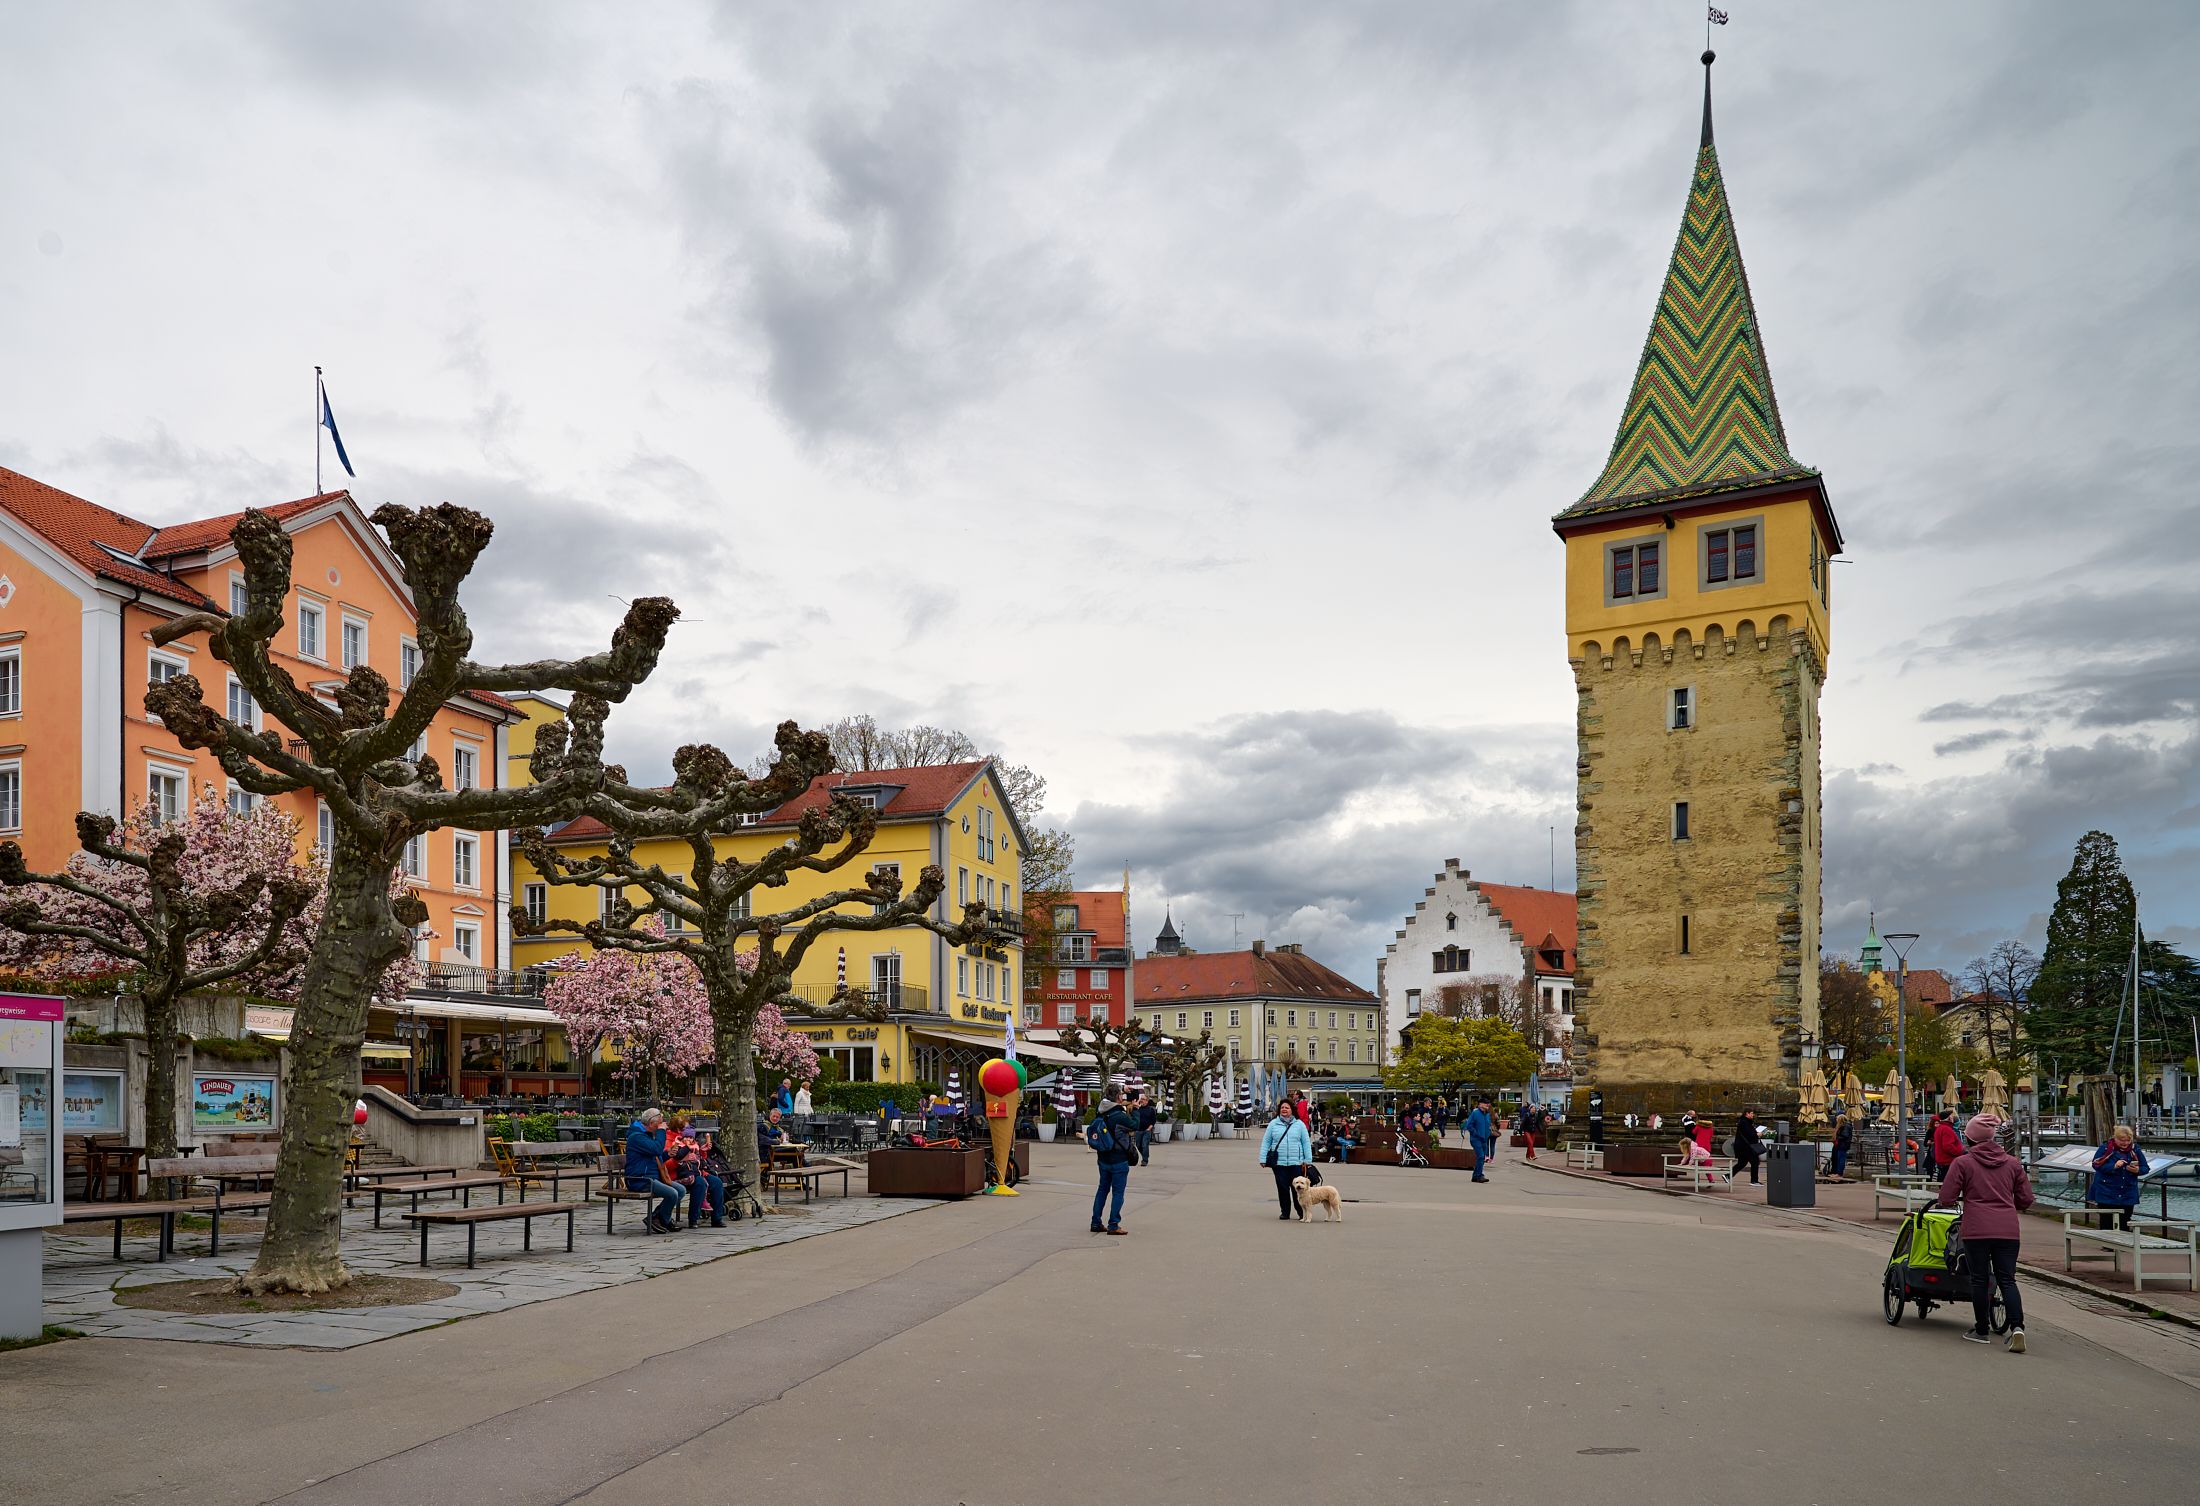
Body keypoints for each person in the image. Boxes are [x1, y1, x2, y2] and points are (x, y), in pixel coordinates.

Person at [1936, 1114, 2033, 1353]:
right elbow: (2026, 1199)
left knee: (1980, 1279)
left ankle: (1981, 1330)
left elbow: (1946, 1198)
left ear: (1969, 1138)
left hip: (1977, 1229)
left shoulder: (1963, 1163)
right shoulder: (2012, 1163)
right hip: (2008, 1230)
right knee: (2007, 1279)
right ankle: (2017, 1328)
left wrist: (1950, 1202)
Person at [622, 1108, 685, 1234]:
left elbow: (655, 1154)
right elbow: (655, 1150)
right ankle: (662, 1220)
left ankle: (657, 1218)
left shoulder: (647, 1135)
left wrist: (667, 1154)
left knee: (681, 1190)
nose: (663, 1126)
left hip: (652, 1177)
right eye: (660, 1123)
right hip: (640, 1179)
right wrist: (662, 1132)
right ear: (651, 1123)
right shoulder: (637, 1137)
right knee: (672, 1193)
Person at [1088, 1087, 1135, 1235]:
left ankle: (1096, 1222)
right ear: (1118, 1097)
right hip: (1119, 1159)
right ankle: (1113, 1225)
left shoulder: (1100, 1110)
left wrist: (1121, 1089)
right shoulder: (1119, 1115)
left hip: (1103, 1158)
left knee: (1102, 1189)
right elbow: (1135, 1125)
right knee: (1118, 1193)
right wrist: (1137, 1110)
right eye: (1121, 1094)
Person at [665, 1114, 726, 1227]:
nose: (688, 1131)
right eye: (685, 1128)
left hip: (695, 1171)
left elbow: (698, 1158)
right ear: (679, 1129)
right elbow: (666, 1164)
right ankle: (693, 1218)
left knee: (716, 1182)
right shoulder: (670, 1141)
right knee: (699, 1183)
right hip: (678, 1175)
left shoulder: (689, 1138)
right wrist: (682, 1158)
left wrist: (703, 1151)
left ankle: (717, 1218)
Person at [2087, 1124, 2150, 1231]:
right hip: (2106, 1190)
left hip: (2127, 1191)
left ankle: (2123, 1244)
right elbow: (2097, 1164)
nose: (2125, 1143)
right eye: (2122, 1140)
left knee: (2125, 1219)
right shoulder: (2105, 1148)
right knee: (2106, 1219)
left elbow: (2145, 1168)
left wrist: (2137, 1170)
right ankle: (2108, 1244)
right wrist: (2114, 1166)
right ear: (2115, 1138)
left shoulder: (2135, 1150)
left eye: (2128, 1140)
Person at [1259, 1100, 1314, 1219]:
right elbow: (1266, 1141)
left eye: (1287, 1108)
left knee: (1298, 1190)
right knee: (1282, 1188)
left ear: (1292, 1110)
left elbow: (1306, 1143)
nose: (1284, 1109)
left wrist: (1308, 1159)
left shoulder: (1299, 1124)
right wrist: (1263, 1158)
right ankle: (1285, 1212)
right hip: (1279, 1163)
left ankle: (1301, 1213)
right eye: (1282, 1107)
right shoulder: (1273, 1124)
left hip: (1296, 1163)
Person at [1465, 1097, 1495, 1182]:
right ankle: (1479, 1175)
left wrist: (1488, 1133)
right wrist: (1476, 1134)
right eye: (1485, 1103)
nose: (1487, 1105)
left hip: (1484, 1139)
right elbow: (1469, 1125)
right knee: (1481, 1156)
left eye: (1488, 1103)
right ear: (1480, 1104)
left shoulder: (1487, 1115)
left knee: (1481, 1157)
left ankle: (1475, 1176)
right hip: (1476, 1139)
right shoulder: (1475, 1113)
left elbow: (1488, 1125)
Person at [1930, 1110, 1964, 1183]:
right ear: (1949, 1118)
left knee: (1944, 1182)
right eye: (1952, 1116)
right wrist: (1960, 1152)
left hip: (1942, 1161)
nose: (1953, 1117)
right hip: (1948, 1161)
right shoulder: (1947, 1129)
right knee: (1950, 1183)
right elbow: (1948, 1146)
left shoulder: (1940, 1128)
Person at [1732, 1110, 1764, 1185]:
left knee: (1742, 1163)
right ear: (1747, 1114)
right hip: (1746, 1146)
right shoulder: (1744, 1122)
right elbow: (1749, 1134)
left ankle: (1728, 1175)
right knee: (1755, 1161)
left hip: (1743, 1146)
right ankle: (1754, 1181)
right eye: (1752, 1113)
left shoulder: (1744, 1122)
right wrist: (1757, 1134)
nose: (1753, 1115)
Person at [1132, 1090, 1158, 1167]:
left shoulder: (1150, 1110)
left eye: (1143, 1099)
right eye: (1141, 1099)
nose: (1141, 1100)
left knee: (1144, 1145)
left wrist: (1149, 1128)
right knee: (1138, 1145)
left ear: (1147, 1101)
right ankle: (1145, 1155)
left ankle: (1145, 1160)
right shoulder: (1137, 1109)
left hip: (1146, 1130)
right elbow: (1132, 1117)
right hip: (1138, 1130)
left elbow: (1153, 1120)